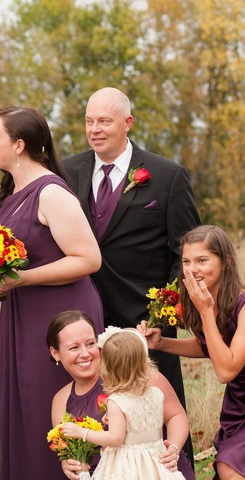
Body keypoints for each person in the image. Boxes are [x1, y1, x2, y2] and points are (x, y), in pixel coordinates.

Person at [62, 87, 200, 444]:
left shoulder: (167, 176)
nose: (95, 129)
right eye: (89, 121)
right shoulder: (66, 171)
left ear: (127, 123)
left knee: (155, 418)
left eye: (104, 121)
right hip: (83, 321)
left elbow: (184, 254)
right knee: (93, 414)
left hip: (145, 325)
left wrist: (161, 316)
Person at [0, 106, 104, 480]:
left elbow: (88, 259)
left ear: (18, 145)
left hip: (60, 318)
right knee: (22, 413)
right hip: (22, 317)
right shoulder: (12, 194)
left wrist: (22, 279)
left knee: (49, 411)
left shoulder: (51, 191)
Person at [143, 225, 245, 480]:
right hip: (243, 401)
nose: (193, 269)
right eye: (187, 261)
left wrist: (205, 311)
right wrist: (161, 342)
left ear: (226, 262)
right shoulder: (204, 299)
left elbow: (226, 369)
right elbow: (210, 345)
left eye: (202, 260)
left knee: (230, 468)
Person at [45, 311, 197, 480]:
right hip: (101, 479)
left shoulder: (139, 377)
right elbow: (66, 449)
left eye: (90, 343)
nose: (85, 353)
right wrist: (69, 464)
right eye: (74, 347)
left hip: (156, 470)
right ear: (55, 352)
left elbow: (176, 415)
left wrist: (173, 449)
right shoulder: (61, 399)